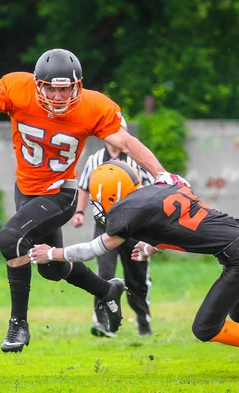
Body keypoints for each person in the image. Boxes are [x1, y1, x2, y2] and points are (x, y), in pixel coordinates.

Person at [0, 48, 190, 353]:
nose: (57, 96)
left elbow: (126, 142)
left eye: (64, 88)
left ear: (77, 86)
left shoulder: (93, 107)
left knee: (10, 238)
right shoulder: (18, 88)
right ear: (38, 84)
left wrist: (161, 173)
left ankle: (18, 325)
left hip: (61, 192)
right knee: (52, 268)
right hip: (26, 190)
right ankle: (107, 290)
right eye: (51, 88)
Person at [29, 161, 239, 379]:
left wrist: (53, 252)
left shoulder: (125, 212)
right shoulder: (162, 187)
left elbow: (95, 248)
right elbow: (184, 224)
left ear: (108, 194)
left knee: (205, 327)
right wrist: (153, 245)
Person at [74, 142, 154, 337]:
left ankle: (143, 321)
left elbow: (151, 190)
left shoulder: (137, 158)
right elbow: (84, 187)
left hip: (134, 226)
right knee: (104, 273)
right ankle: (101, 322)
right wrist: (79, 212)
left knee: (137, 276)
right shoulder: (95, 159)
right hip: (105, 225)